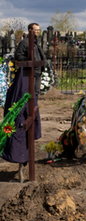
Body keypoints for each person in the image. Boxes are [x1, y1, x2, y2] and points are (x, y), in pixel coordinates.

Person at [2, 23, 45, 171]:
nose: (38, 32)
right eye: (36, 30)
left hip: (37, 74)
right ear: (30, 31)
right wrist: (29, 63)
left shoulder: (35, 43)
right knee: (29, 100)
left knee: (35, 98)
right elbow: (18, 57)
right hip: (28, 76)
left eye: (39, 30)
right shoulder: (25, 42)